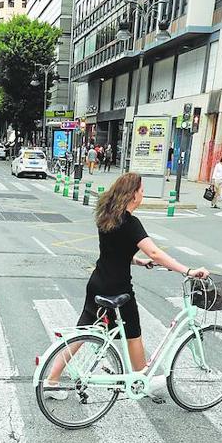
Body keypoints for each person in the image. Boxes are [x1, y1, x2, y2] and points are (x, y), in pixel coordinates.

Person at [42, 172, 210, 402]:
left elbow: (114, 252)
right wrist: (187, 271)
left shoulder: (107, 216)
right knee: (133, 334)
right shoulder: (130, 223)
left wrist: (137, 260)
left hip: (97, 283)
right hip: (118, 290)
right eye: (141, 190)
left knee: (82, 332)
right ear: (133, 195)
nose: (143, 194)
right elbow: (154, 252)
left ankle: (51, 380)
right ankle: (142, 380)